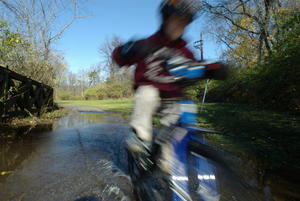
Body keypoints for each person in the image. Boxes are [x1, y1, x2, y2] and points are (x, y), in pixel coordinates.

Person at [112, 0, 228, 172]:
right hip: (150, 92)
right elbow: (118, 57)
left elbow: (197, 66)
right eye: (176, 21)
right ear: (165, 20)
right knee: (147, 94)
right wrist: (128, 49)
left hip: (173, 97)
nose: (180, 27)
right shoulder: (148, 43)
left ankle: (170, 164)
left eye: (184, 24)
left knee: (177, 130)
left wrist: (212, 70)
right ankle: (141, 138)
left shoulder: (186, 51)